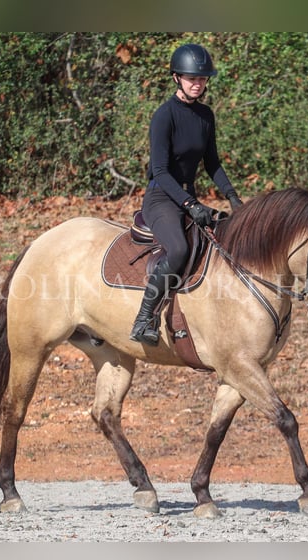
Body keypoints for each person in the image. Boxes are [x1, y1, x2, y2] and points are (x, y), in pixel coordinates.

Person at [129, 43, 243, 347]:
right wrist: (190, 204)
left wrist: (233, 198)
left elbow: (213, 163)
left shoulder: (205, 116)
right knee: (178, 249)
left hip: (188, 199)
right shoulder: (164, 116)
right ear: (177, 77)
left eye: (203, 79)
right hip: (161, 198)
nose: (198, 84)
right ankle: (144, 319)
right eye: (192, 78)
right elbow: (161, 171)